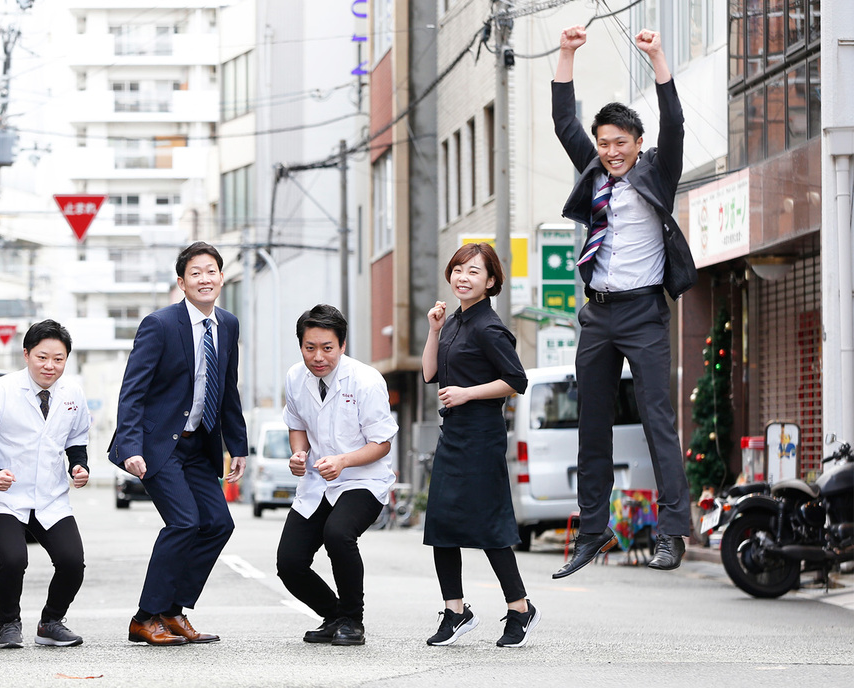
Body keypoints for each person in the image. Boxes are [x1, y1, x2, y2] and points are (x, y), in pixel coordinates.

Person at [551, 27, 696, 579]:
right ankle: (593, 530)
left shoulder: (658, 171)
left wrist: (658, 56)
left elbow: (675, 124)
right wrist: (565, 54)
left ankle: (672, 530)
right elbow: (566, 122)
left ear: (637, 143)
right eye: (604, 143)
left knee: (658, 419)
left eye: (620, 143)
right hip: (599, 312)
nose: (611, 152)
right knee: (592, 420)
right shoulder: (594, 173)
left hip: (644, 313)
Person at [108, 241, 248, 646]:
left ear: (221, 277)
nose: (204, 279)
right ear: (182, 282)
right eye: (195, 273)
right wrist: (131, 446)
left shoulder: (229, 324)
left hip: (200, 445)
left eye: (211, 271)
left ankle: (173, 610)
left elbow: (228, 390)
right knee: (185, 522)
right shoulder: (160, 324)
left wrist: (237, 446)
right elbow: (132, 391)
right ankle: (144, 617)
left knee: (219, 523)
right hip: (159, 446)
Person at [421, 243, 537, 648]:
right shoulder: (452, 321)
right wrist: (434, 329)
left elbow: (517, 380)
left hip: (482, 437)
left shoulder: (489, 326)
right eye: (457, 269)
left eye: (473, 271)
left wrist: (469, 393)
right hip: (452, 435)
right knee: (440, 524)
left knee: (489, 526)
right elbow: (429, 372)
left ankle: (520, 608)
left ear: (490, 282)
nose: (462, 277)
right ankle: (455, 611)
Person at [0, 320, 91, 650]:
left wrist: (79, 465)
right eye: (42, 357)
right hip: (4, 497)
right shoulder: (0, 391)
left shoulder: (72, 393)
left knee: (72, 562)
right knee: (14, 560)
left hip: (49, 496)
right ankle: (9, 625)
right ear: (26, 354)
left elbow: (76, 439)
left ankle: (51, 623)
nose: (50, 366)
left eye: (58, 359)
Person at [277, 304, 398, 647]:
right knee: (289, 562)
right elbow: (296, 424)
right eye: (309, 347)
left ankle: (353, 620)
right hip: (318, 481)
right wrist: (299, 454)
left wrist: (344, 462)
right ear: (300, 345)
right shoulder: (294, 377)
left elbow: (382, 444)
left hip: (363, 479)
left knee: (338, 533)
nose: (318, 357)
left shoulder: (365, 380)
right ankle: (335, 616)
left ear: (342, 345)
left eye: (327, 348)